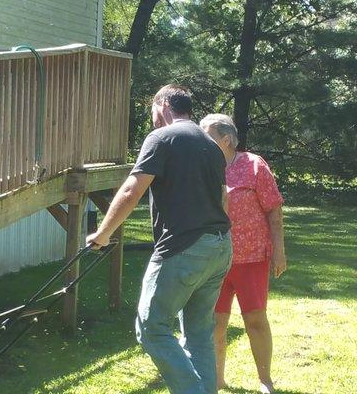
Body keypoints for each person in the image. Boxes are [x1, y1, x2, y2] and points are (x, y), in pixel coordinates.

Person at [87, 85, 232, 394]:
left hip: (184, 248)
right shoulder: (210, 145)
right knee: (198, 333)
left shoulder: (162, 138)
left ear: (164, 105)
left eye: (152, 109)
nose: (151, 117)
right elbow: (223, 199)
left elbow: (131, 190)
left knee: (151, 328)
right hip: (220, 246)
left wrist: (103, 234)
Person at [200, 114, 286, 394]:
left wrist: (279, 251)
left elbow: (273, 209)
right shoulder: (203, 166)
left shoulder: (253, 165)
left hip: (251, 258)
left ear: (226, 140)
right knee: (215, 323)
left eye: (207, 134)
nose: (201, 139)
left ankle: (265, 381)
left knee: (255, 320)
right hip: (215, 258)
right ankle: (216, 380)